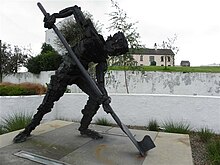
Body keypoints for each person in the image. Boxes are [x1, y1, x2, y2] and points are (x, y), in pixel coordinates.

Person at [13, 5, 128, 143]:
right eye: (115, 48)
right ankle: (28, 130)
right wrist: (54, 16)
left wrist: (105, 98)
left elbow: (100, 84)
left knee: (97, 97)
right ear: (111, 41)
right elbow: (75, 10)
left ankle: (84, 128)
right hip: (66, 69)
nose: (113, 52)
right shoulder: (92, 35)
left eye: (117, 52)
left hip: (80, 73)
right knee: (48, 103)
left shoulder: (102, 60)